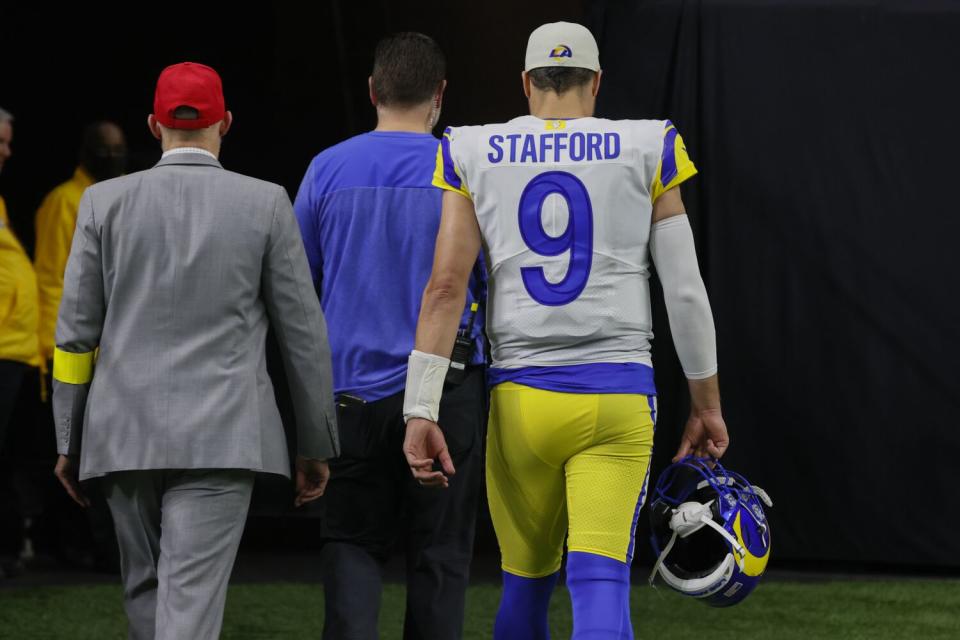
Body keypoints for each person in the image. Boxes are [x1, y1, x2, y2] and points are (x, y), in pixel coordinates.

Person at [401, 22, 730, 640]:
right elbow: (684, 288)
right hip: (616, 395)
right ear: (597, 82)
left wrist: (421, 406)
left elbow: (445, 288)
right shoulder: (645, 143)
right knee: (600, 585)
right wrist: (706, 403)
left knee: (523, 589)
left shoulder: (473, 148)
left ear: (525, 83)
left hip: (522, 400)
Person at [52, 62, 339, 640]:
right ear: (225, 123)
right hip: (224, 437)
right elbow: (303, 337)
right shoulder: (265, 204)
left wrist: (68, 438)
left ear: (154, 125)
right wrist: (315, 442)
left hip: (121, 435)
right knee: (189, 607)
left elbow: (75, 337)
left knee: (144, 593)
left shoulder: (102, 203)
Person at [294, 32, 487, 640]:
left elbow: (297, 293)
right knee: (440, 560)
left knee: (351, 547)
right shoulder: (464, 168)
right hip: (445, 393)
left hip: (348, 399)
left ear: (373, 90)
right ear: (440, 94)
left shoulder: (328, 168)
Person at [35, 121, 127, 367]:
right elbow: (50, 276)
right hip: (77, 339)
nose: (111, 157)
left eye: (118, 150)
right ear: (84, 154)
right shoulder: (63, 201)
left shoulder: (131, 196)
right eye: (103, 151)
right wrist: (51, 344)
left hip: (123, 339)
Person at [0, 106, 42, 579]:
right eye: (2, 143)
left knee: (15, 459)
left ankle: (18, 544)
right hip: (4, 347)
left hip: (15, 350)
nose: (8, 151)